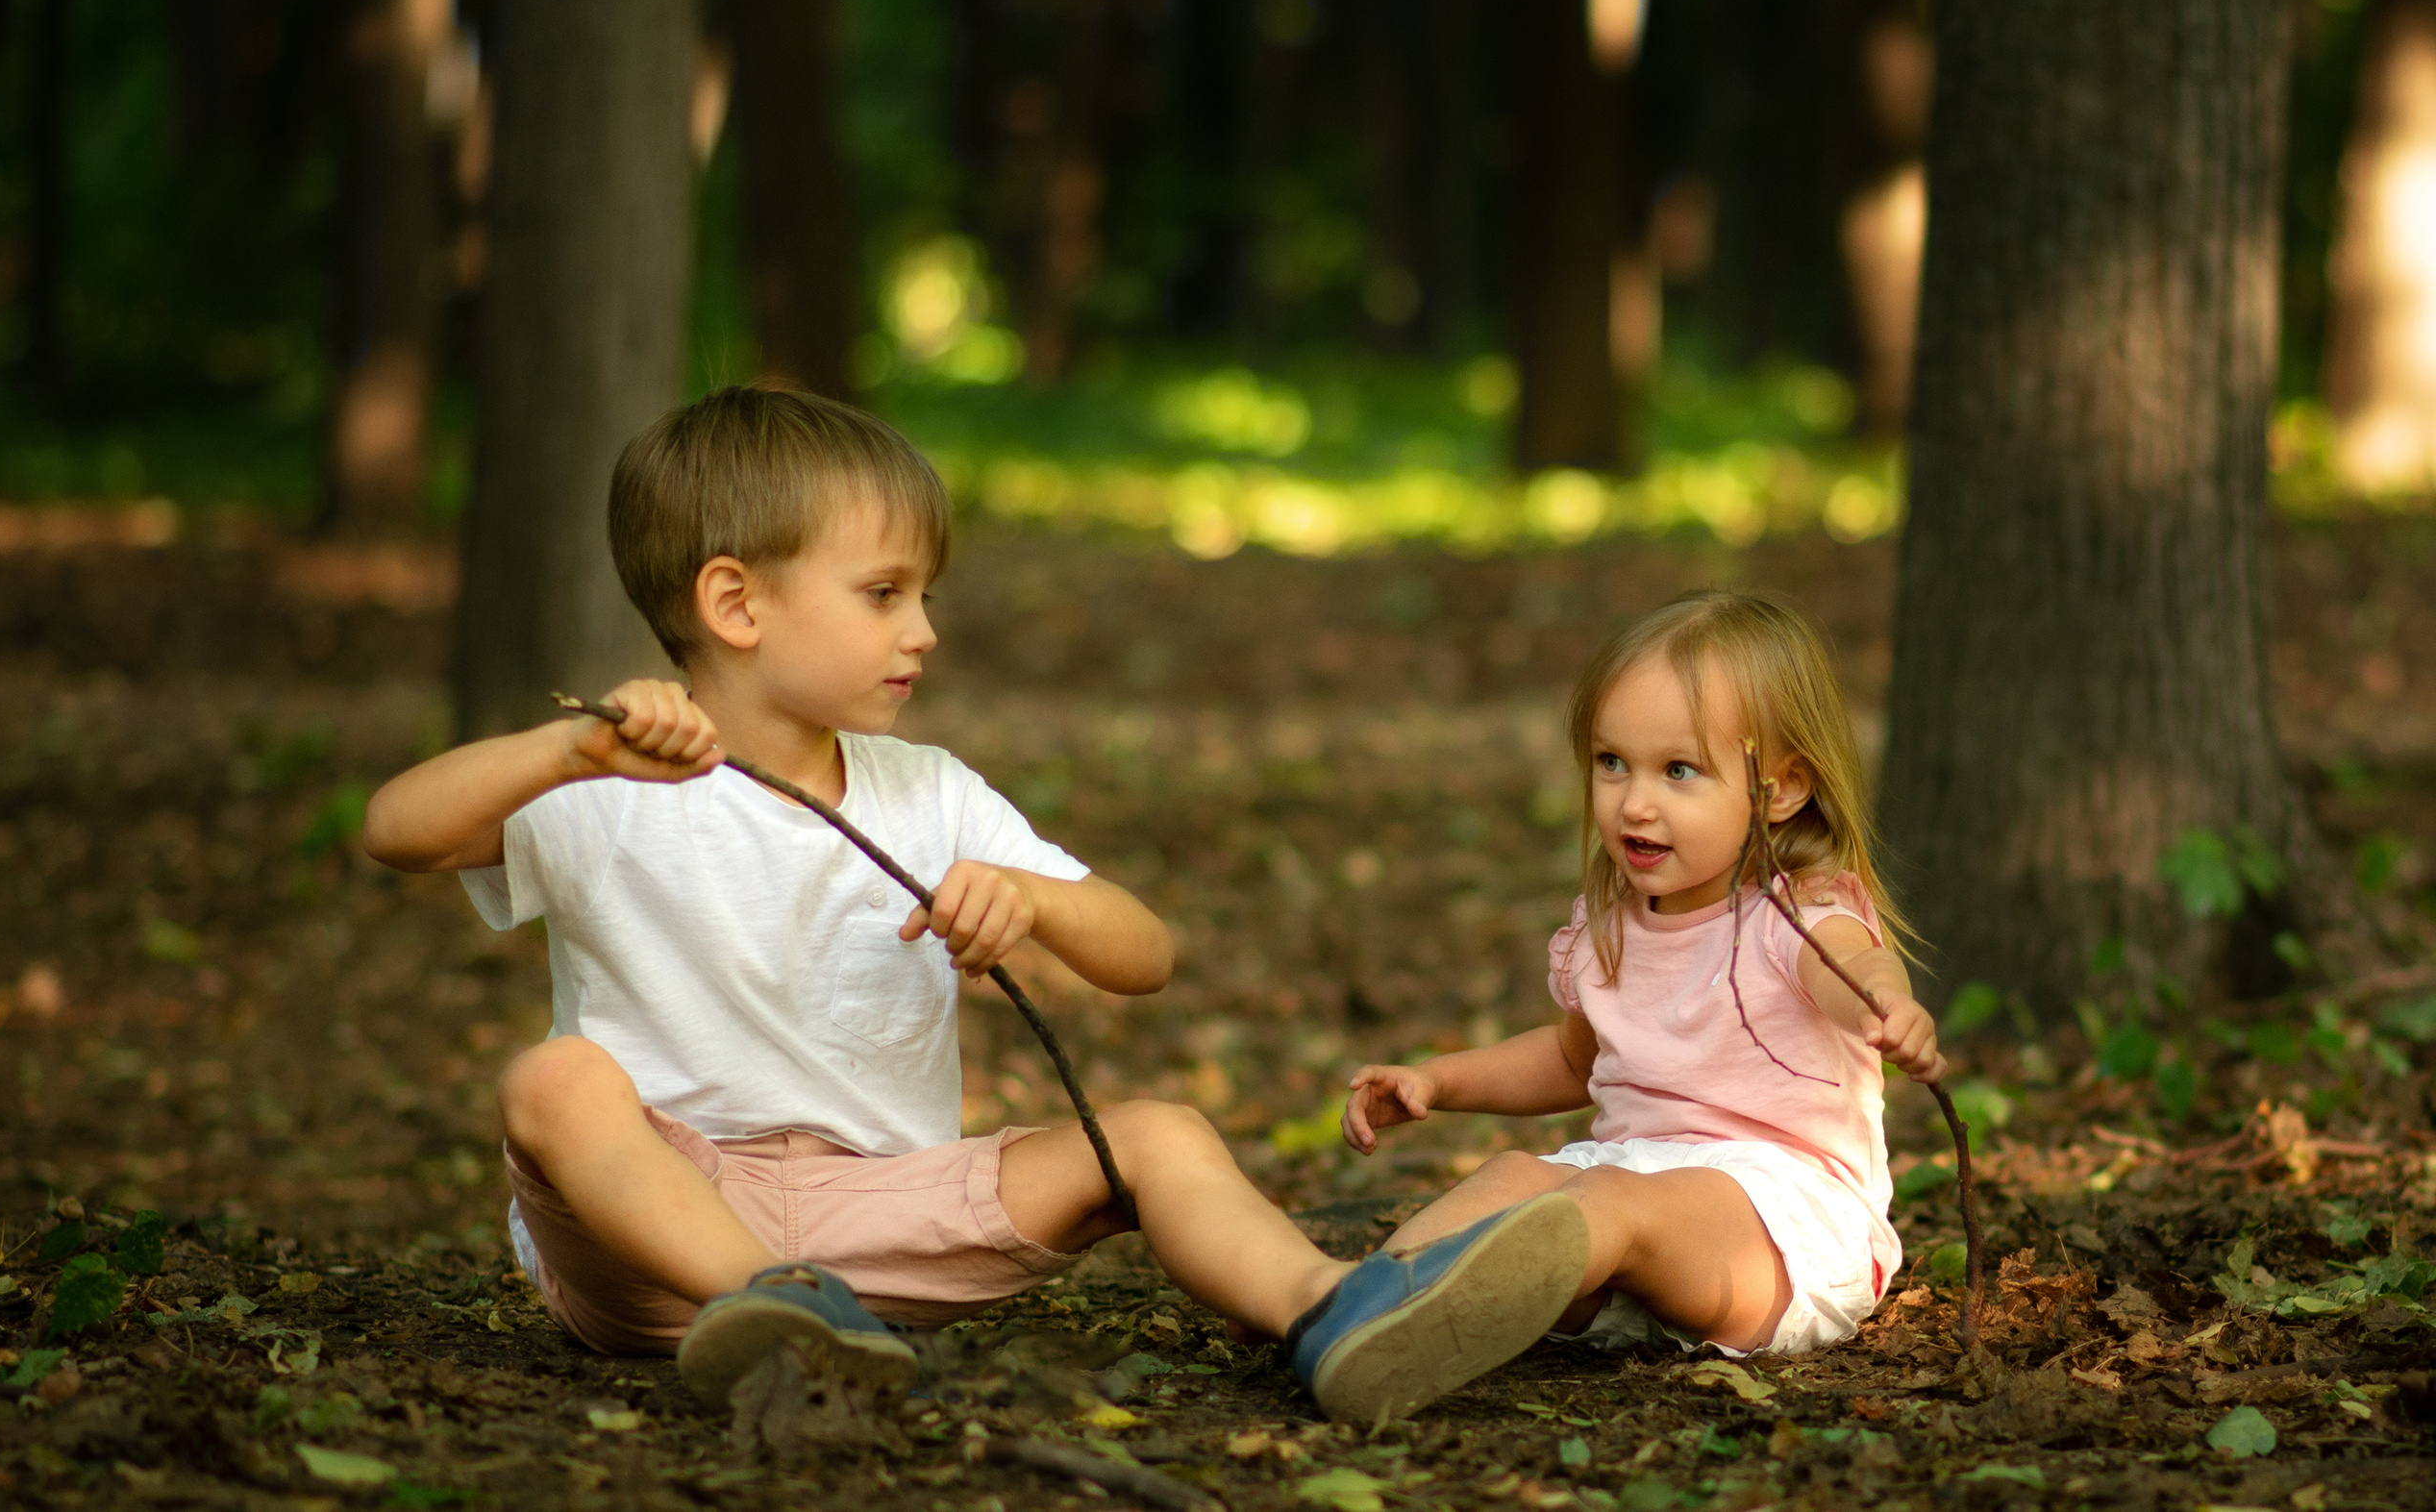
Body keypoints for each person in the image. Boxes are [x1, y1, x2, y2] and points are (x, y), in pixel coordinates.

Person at [362, 384, 1588, 1423]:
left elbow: (1144, 954)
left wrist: (1030, 902)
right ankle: (772, 1309)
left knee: (1157, 1133)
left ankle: (1330, 1312)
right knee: (555, 1082)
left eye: (925, 598)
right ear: (735, 605)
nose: (923, 633)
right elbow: (395, 830)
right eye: (883, 594)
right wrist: (564, 751)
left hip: (885, 1214)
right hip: (652, 1237)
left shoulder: (928, 792)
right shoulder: (604, 784)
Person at [1343, 590, 1946, 1359]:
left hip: (1779, 1226)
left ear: (1782, 788)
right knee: (1515, 1177)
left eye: (1679, 770)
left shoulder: (1795, 915)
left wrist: (1883, 1003)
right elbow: (1573, 1060)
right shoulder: (1613, 924)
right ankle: (1356, 1306)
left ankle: (1425, 1305)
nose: (1634, 803)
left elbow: (1853, 962)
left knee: (1605, 1203)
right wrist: (1438, 1080)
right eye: (1612, 763)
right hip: (1630, 1195)